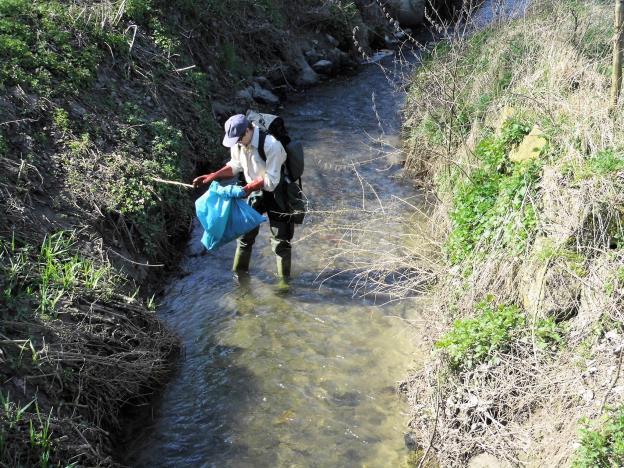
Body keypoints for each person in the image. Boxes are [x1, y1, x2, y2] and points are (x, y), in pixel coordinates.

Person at [192, 114, 294, 279]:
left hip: (277, 192)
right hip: (255, 191)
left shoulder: (271, 145)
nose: (237, 142)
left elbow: (271, 181)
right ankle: (239, 277)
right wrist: (213, 176)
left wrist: (247, 188)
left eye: (239, 138)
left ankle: (284, 285)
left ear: (248, 130)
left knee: (281, 241)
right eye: (235, 140)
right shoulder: (238, 143)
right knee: (244, 236)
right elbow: (235, 165)